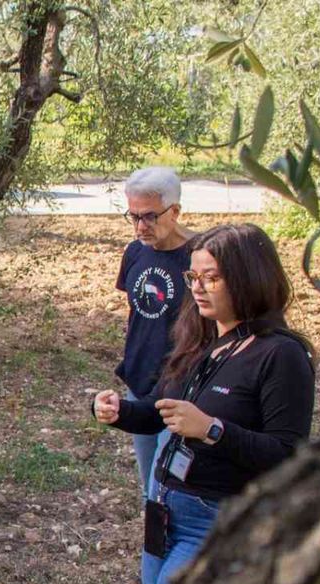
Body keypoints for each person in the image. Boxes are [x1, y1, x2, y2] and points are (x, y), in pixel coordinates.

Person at [93, 223, 316, 584]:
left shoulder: (281, 356)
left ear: (249, 279)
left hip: (214, 521)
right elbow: (162, 412)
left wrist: (213, 430)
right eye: (193, 276)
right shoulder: (201, 339)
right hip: (165, 513)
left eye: (211, 278)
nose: (197, 287)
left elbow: (288, 453)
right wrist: (118, 411)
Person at [114, 167, 196, 496]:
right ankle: (156, 546)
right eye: (132, 216)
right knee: (151, 487)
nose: (139, 227)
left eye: (149, 217)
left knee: (173, 488)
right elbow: (140, 315)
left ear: (174, 211)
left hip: (186, 389)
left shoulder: (202, 256)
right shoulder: (135, 252)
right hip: (142, 386)